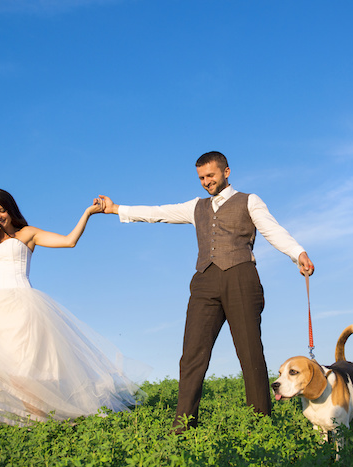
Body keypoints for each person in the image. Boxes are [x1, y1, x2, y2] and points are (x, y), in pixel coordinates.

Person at [97, 151, 314, 433]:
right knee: (192, 354)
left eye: (210, 175)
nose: (206, 182)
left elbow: (273, 230)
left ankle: (260, 424)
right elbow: (158, 213)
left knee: (249, 353)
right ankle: (183, 426)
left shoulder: (249, 200)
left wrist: (297, 253)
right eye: (201, 178)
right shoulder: (196, 206)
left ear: (226, 172)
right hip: (205, 281)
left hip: (241, 278)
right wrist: (116, 209)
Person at [0, 189, 149, 432]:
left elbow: (69, 241)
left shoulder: (27, 234)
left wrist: (87, 213)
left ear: (10, 209)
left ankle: (43, 428)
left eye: (1, 210)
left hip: (20, 309)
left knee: (21, 377)